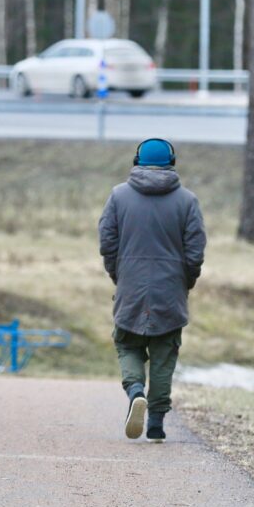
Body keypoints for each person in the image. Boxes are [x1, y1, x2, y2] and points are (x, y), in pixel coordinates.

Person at [98, 138, 206, 442]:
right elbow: (195, 252)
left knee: (127, 343)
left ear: (137, 161)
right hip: (170, 289)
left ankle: (135, 391)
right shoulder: (188, 201)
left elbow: (107, 243)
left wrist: (118, 274)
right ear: (171, 162)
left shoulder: (118, 197)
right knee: (164, 353)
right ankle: (156, 421)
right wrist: (186, 281)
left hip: (130, 286)